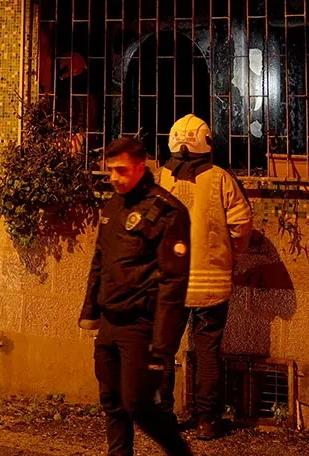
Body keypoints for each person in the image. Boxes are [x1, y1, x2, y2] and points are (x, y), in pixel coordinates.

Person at [80, 136, 193, 456]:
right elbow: (100, 260)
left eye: (121, 170)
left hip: (140, 326)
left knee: (139, 404)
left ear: (140, 167)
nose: (114, 177)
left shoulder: (167, 212)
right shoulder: (114, 205)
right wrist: (90, 311)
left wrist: (162, 348)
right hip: (110, 322)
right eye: (110, 170)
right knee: (112, 403)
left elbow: (174, 284)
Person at [156, 115, 252, 439]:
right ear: (206, 142)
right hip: (212, 282)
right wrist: (229, 252)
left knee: (164, 350)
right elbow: (241, 224)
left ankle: (162, 417)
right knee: (208, 350)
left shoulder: (162, 179)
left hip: (170, 282)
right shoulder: (220, 179)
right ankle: (207, 421)